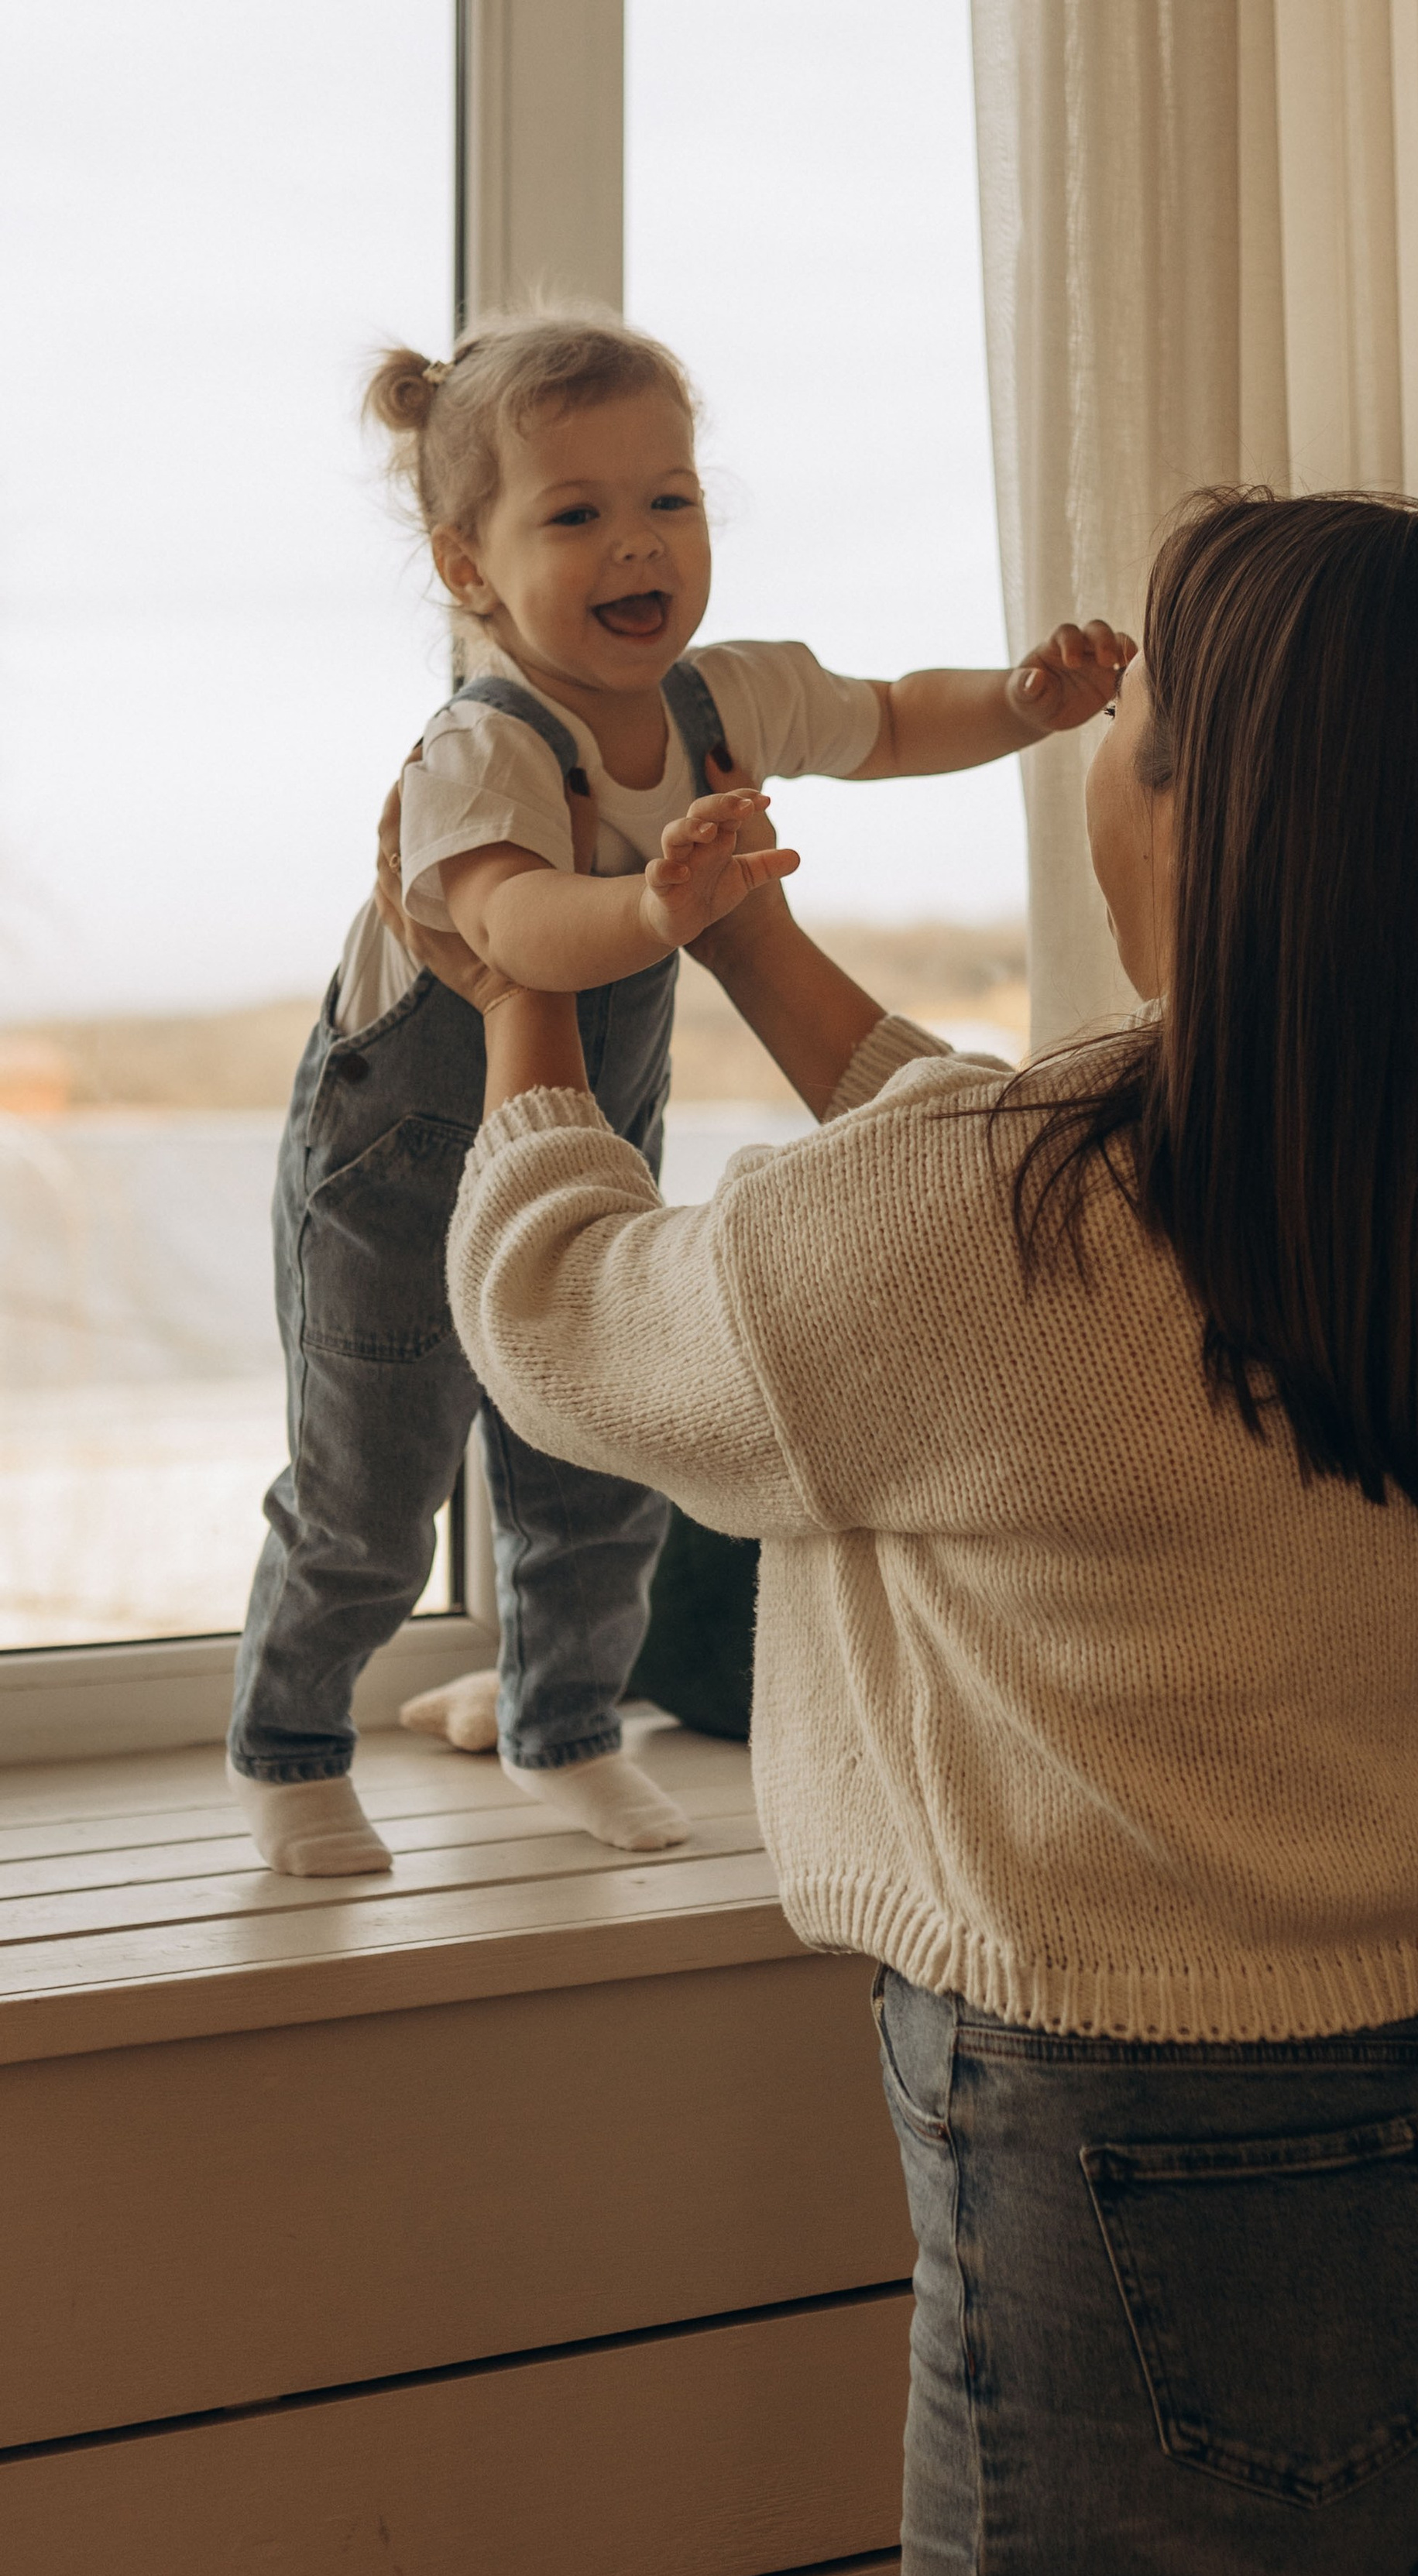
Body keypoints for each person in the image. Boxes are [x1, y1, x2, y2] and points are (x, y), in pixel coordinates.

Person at [424, 488, 1418, 2576]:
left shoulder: (1017, 1225)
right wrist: (741, 930)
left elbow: (561, 1310)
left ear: (1201, 811)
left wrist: (509, 971)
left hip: (1180, 2230)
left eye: (1143, 735)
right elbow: (996, 1188)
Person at [228, 304, 1126, 1877]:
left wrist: (1022, 705)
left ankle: (561, 1725)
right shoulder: (481, 749)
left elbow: (894, 713)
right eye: (575, 514)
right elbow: (507, 929)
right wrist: (652, 910)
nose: (637, 544)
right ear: (469, 570)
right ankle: (290, 1739)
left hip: (573, 1144)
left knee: (590, 1456)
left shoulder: (722, 700)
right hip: (395, 1167)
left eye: (669, 499)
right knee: (369, 1493)